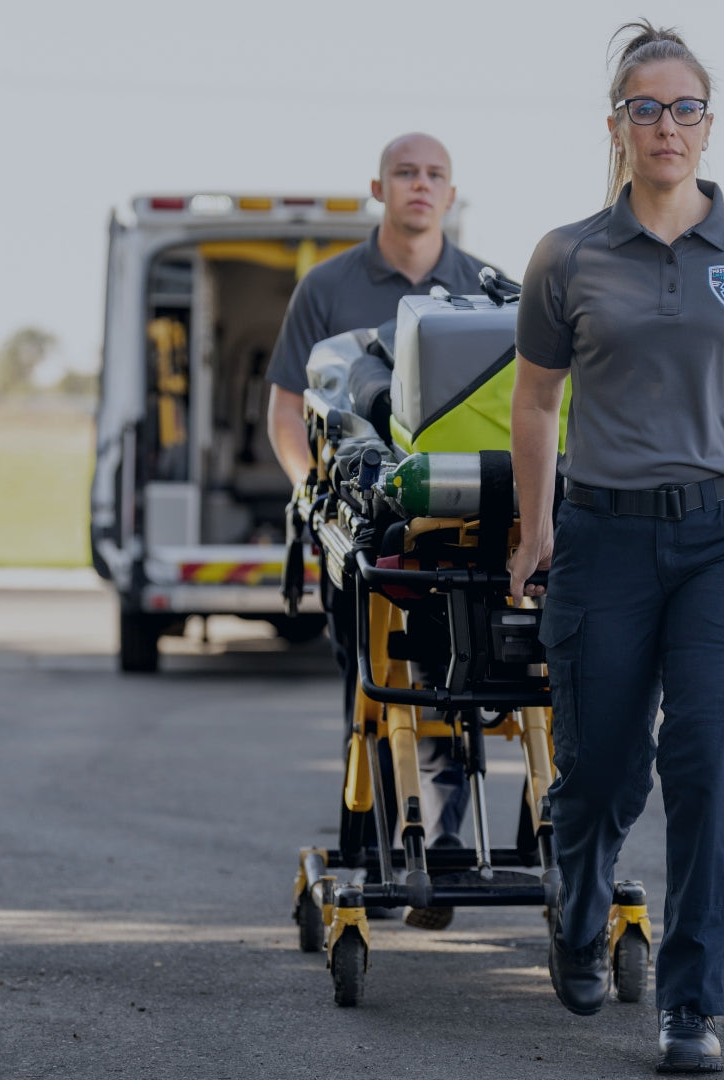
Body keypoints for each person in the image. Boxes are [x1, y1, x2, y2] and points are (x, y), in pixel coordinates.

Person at [508, 21, 724, 1075]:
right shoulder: (567, 254)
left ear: (711, 125)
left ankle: (691, 1003)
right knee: (601, 773)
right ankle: (575, 907)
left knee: (708, 753)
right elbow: (534, 402)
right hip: (604, 538)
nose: (668, 126)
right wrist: (537, 528)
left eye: (686, 107)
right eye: (647, 108)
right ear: (616, 126)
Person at [267, 132, 493, 927]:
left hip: (461, 530)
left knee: (454, 684)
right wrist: (314, 493)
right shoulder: (325, 288)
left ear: (452, 191)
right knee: (373, 691)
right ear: (379, 186)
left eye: (435, 174)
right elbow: (287, 412)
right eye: (407, 173)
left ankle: (440, 847)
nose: (421, 185)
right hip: (359, 535)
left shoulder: (490, 289)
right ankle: (382, 847)